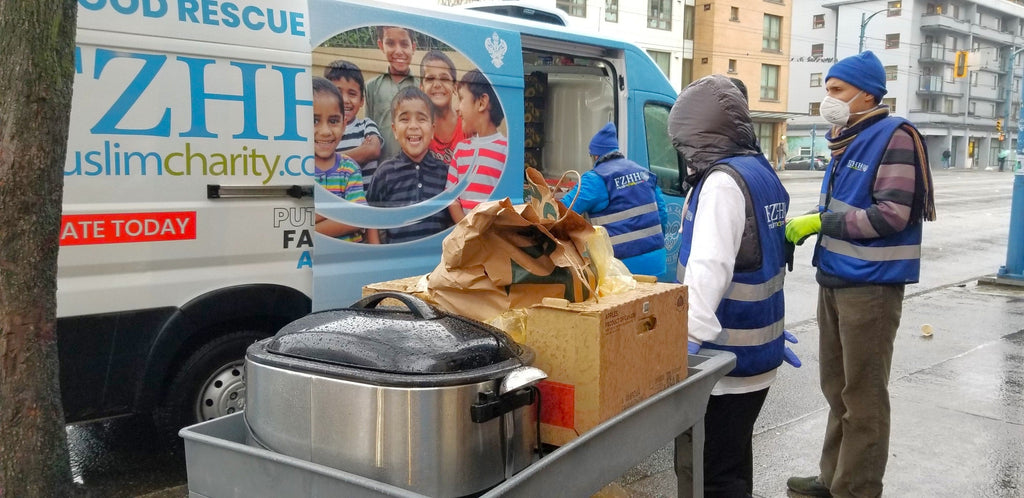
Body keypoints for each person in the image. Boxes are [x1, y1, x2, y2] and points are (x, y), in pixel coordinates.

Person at [784, 50, 936, 498]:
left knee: (864, 397)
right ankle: (834, 477)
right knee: (838, 389)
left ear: (866, 92)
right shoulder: (846, 137)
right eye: (826, 88)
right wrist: (810, 219)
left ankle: (857, 488)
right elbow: (843, 205)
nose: (827, 98)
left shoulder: (895, 137)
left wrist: (822, 223)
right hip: (836, 278)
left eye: (836, 90)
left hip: (870, 287)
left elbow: (891, 215)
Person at [668, 74, 799, 498]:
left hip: (722, 362)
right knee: (735, 465)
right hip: (757, 353)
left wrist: (684, 341)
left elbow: (710, 266)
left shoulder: (723, 182)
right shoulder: (760, 172)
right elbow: (762, 259)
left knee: (711, 477)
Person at [561, 122, 669, 277]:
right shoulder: (644, 173)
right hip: (656, 262)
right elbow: (663, 214)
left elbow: (561, 211)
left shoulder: (596, 179)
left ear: (596, 156)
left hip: (621, 269)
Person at [366, 86, 453, 243]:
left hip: (437, 263)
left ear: (433, 130)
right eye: (404, 119)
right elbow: (371, 219)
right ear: (394, 129)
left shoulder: (445, 173)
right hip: (396, 262)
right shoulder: (384, 173)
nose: (413, 126)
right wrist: (378, 258)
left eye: (421, 118)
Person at [310, 77, 379, 244]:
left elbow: (357, 216)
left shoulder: (348, 168)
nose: (325, 131)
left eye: (333, 121)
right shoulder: (296, 170)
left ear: (344, 124)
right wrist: (340, 213)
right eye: (314, 121)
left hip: (350, 259)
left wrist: (308, 233)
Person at [447, 69, 508, 223]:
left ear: (482, 102)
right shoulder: (461, 150)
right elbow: (451, 197)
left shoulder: (506, 150)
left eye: (461, 99)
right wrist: (466, 228)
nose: (457, 107)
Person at [324, 60, 383, 188]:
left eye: (352, 94)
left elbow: (372, 150)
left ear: (362, 100)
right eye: (337, 92)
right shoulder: (321, 131)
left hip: (364, 203)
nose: (345, 100)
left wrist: (329, 159)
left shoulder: (366, 125)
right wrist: (359, 152)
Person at [365, 25, 418, 162]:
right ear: (381, 45)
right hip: (381, 170)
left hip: (414, 169)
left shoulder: (421, 87)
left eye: (404, 44)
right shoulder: (371, 87)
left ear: (413, 47)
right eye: (390, 43)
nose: (398, 51)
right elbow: (369, 132)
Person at [420, 50, 466, 165]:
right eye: (430, 79)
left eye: (444, 79)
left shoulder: (468, 125)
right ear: (421, 88)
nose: (437, 85)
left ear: (455, 86)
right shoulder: (418, 128)